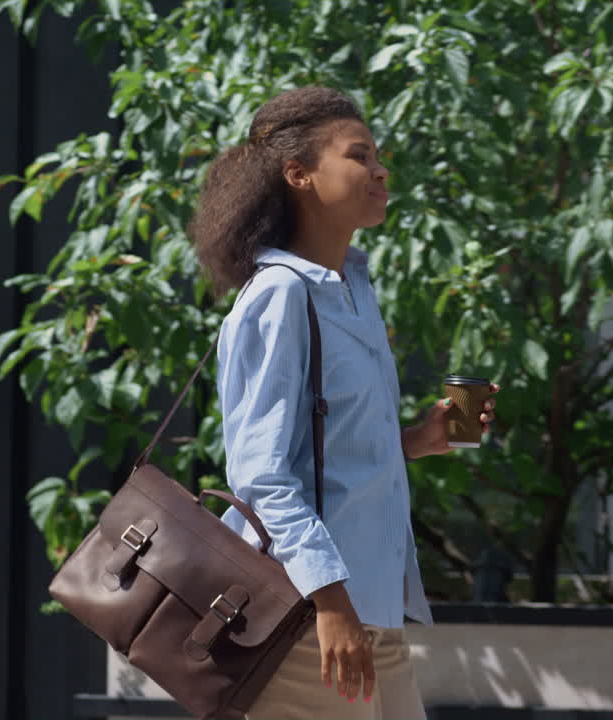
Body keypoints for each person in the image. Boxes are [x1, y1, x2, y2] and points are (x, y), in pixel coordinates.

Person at [188, 86, 500, 720]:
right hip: (309, 614)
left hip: (373, 607)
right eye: (360, 155)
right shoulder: (279, 295)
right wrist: (329, 602)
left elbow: (324, 453)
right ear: (298, 174)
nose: (380, 169)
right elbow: (260, 476)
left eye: (379, 154)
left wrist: (417, 440)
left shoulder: (350, 288)